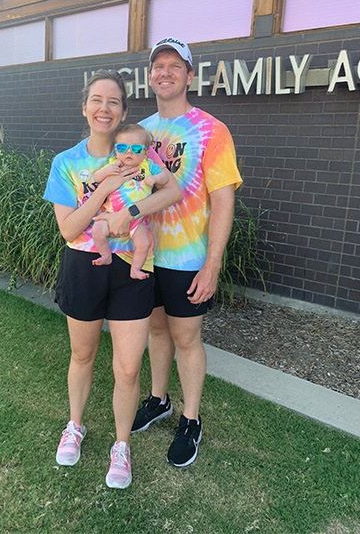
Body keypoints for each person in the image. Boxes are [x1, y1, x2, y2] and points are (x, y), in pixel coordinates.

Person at [43, 69, 182, 489]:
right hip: (84, 265)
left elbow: (171, 191)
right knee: (82, 356)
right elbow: (69, 231)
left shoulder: (141, 153)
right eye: (97, 101)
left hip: (133, 269)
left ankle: (120, 446)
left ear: (123, 110)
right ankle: (75, 425)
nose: (105, 109)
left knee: (127, 366)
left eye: (114, 102)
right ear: (84, 108)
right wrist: (103, 193)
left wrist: (133, 212)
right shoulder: (67, 163)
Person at [131, 37, 243, 467]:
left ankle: (191, 418)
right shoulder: (139, 133)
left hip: (188, 258)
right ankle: (159, 399)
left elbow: (223, 201)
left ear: (189, 75)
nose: (165, 71)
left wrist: (212, 264)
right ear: (150, 75)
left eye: (174, 65)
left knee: (186, 338)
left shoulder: (211, 130)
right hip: (146, 257)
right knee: (156, 332)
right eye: (158, 65)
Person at [92, 124, 169, 280]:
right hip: (111, 214)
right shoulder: (114, 165)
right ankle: (106, 255)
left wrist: (155, 179)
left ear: (146, 153)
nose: (128, 152)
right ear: (116, 150)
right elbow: (96, 177)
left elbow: (165, 177)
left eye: (136, 150)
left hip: (136, 219)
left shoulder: (148, 166)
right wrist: (106, 172)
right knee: (97, 230)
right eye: (122, 148)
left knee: (144, 243)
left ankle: (135, 269)